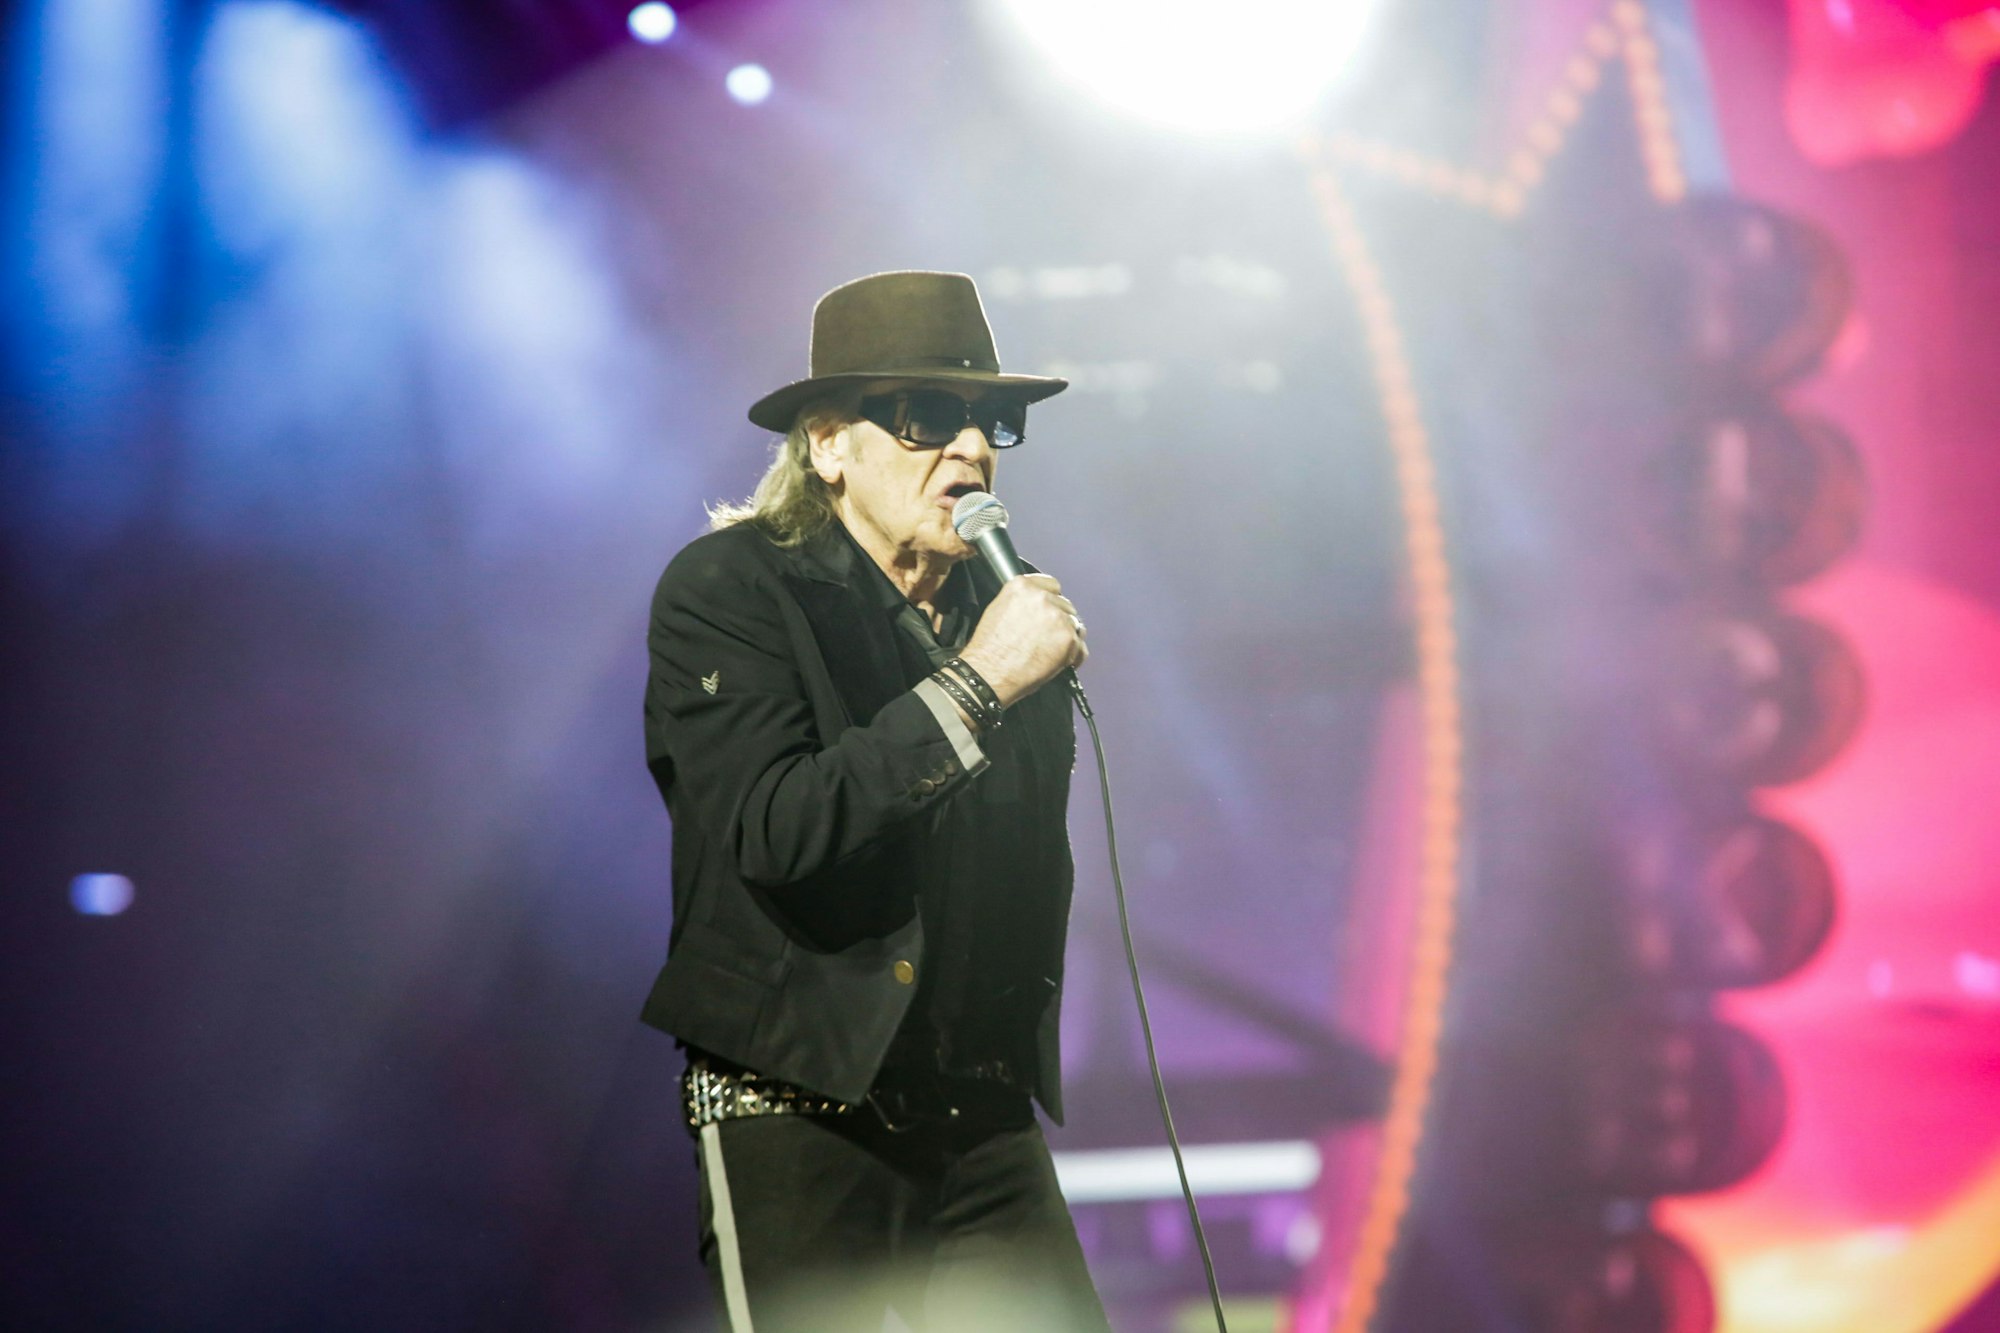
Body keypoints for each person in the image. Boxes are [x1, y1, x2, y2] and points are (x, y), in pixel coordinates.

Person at [640, 271, 1108, 1332]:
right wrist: (977, 682)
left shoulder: (1006, 603)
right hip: (800, 1111)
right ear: (827, 444)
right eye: (925, 417)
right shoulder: (729, 591)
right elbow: (776, 826)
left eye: (990, 421)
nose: (973, 448)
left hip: (976, 1112)